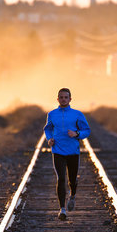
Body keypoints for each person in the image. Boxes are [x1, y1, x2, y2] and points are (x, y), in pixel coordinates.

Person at [43, 88, 91, 220]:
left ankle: (73, 195)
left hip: (73, 151)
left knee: (72, 180)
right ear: (57, 99)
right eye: (61, 97)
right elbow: (48, 129)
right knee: (61, 178)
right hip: (58, 150)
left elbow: (87, 130)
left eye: (66, 97)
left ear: (70, 99)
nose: (63, 99)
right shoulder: (52, 114)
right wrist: (49, 139)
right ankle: (62, 209)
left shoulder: (77, 114)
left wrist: (77, 134)